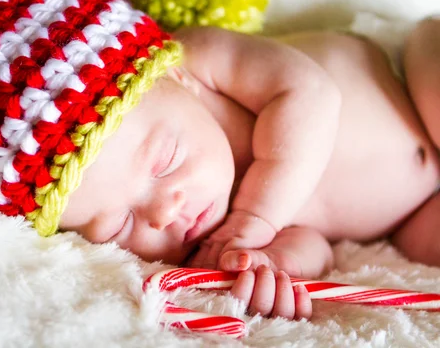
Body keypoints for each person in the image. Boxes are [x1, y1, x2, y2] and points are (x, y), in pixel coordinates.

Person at [58, 18, 440, 320]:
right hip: (411, 214)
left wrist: (257, 216)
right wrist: (275, 265)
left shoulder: (198, 60)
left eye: (166, 162)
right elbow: (317, 244)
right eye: (120, 225)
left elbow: (311, 92)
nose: (164, 213)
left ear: (178, 79)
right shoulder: (207, 242)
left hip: (410, 76)